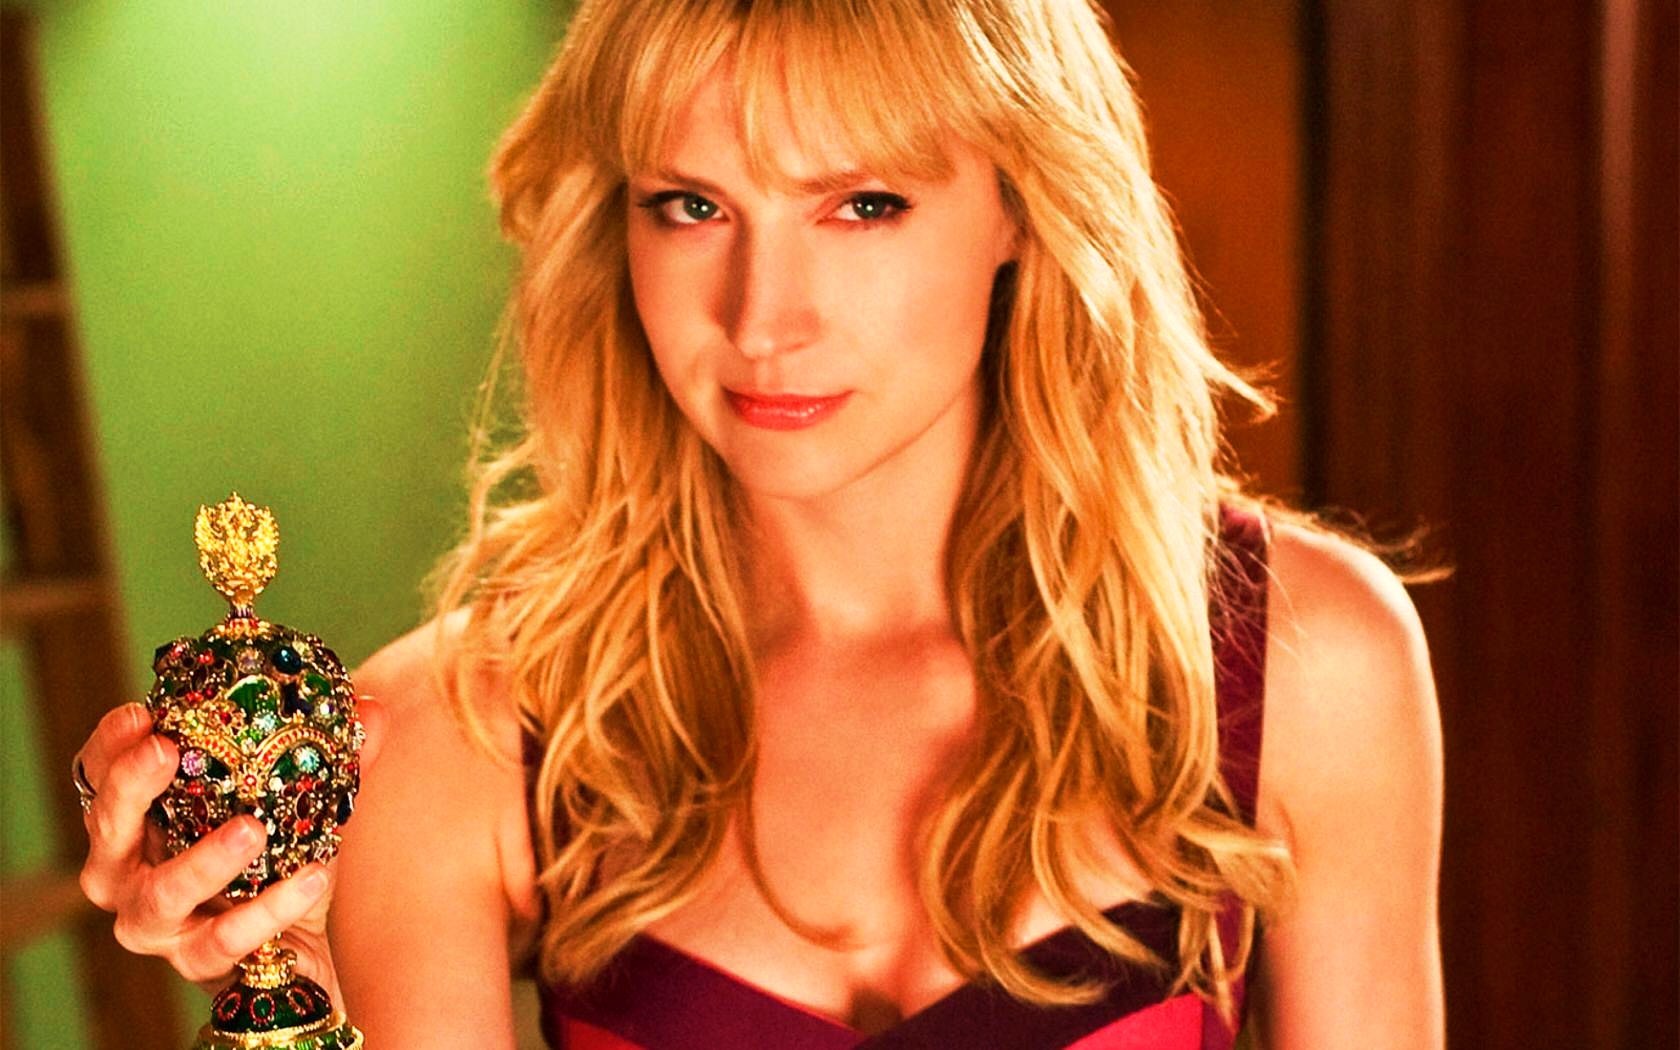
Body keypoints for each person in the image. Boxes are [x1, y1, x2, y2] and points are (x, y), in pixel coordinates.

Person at [71, 0, 1446, 1046]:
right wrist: (293, 977)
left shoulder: (1306, 663)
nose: (760, 318)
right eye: (692, 206)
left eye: (863, 203)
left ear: (1024, 206)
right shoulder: (461, 731)